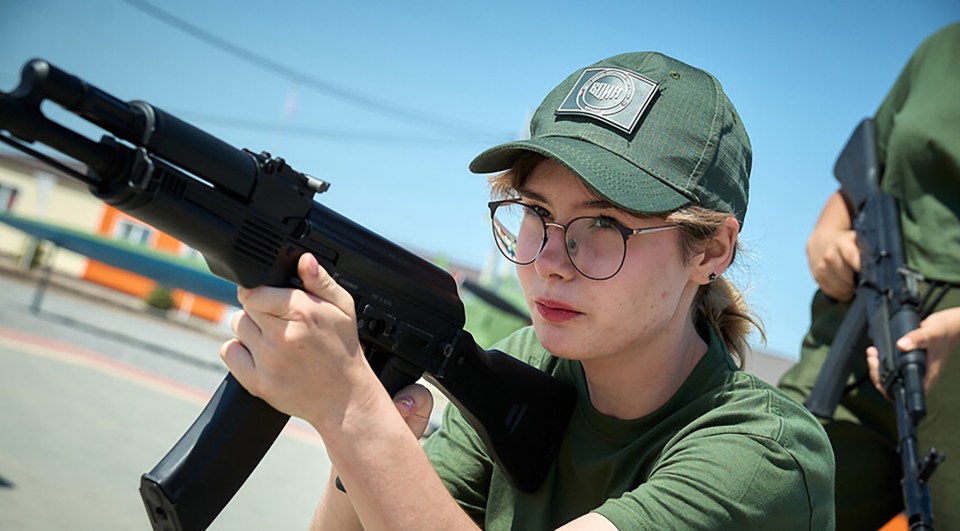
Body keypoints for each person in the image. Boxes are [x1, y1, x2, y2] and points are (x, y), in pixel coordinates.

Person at [221, 51, 835, 530]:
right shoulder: (523, 368)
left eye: (603, 226)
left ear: (708, 251)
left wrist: (352, 412)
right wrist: (361, 435)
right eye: (536, 212)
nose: (548, 259)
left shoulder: (767, 455)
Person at [778, 22, 960, 531]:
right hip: (853, 342)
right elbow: (865, 171)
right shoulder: (943, 49)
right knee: (770, 494)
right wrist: (826, 235)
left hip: (950, 386)